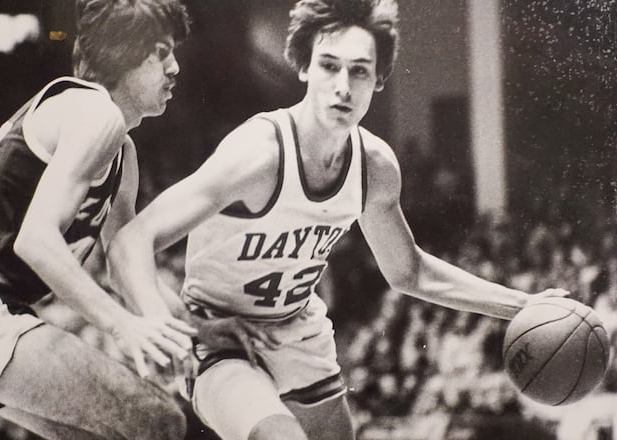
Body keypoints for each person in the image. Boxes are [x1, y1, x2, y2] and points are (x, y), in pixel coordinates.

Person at [109, 0, 569, 439]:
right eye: (329, 66)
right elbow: (132, 241)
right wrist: (173, 327)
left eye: (359, 71)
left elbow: (408, 270)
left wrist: (521, 306)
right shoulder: (257, 155)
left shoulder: (375, 166)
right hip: (220, 332)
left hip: (296, 329)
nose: (343, 86)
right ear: (305, 68)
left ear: (379, 80)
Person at [0, 0, 196, 438]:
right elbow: (36, 241)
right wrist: (123, 327)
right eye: (161, 52)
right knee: (159, 420)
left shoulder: (122, 151)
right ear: (123, 53)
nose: (175, 68)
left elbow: (125, 265)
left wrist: (187, 333)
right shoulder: (94, 112)